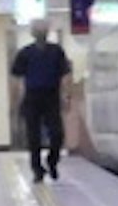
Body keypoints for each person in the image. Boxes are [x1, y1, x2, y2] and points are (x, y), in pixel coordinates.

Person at [10, 22, 73, 182]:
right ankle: (37, 170)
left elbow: (65, 74)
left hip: (51, 96)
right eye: (38, 30)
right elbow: (16, 79)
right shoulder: (25, 53)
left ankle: (52, 161)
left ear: (48, 31)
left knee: (57, 133)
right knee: (33, 137)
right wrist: (15, 101)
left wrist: (66, 95)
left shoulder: (56, 51)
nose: (41, 32)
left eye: (43, 29)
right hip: (32, 97)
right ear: (32, 33)